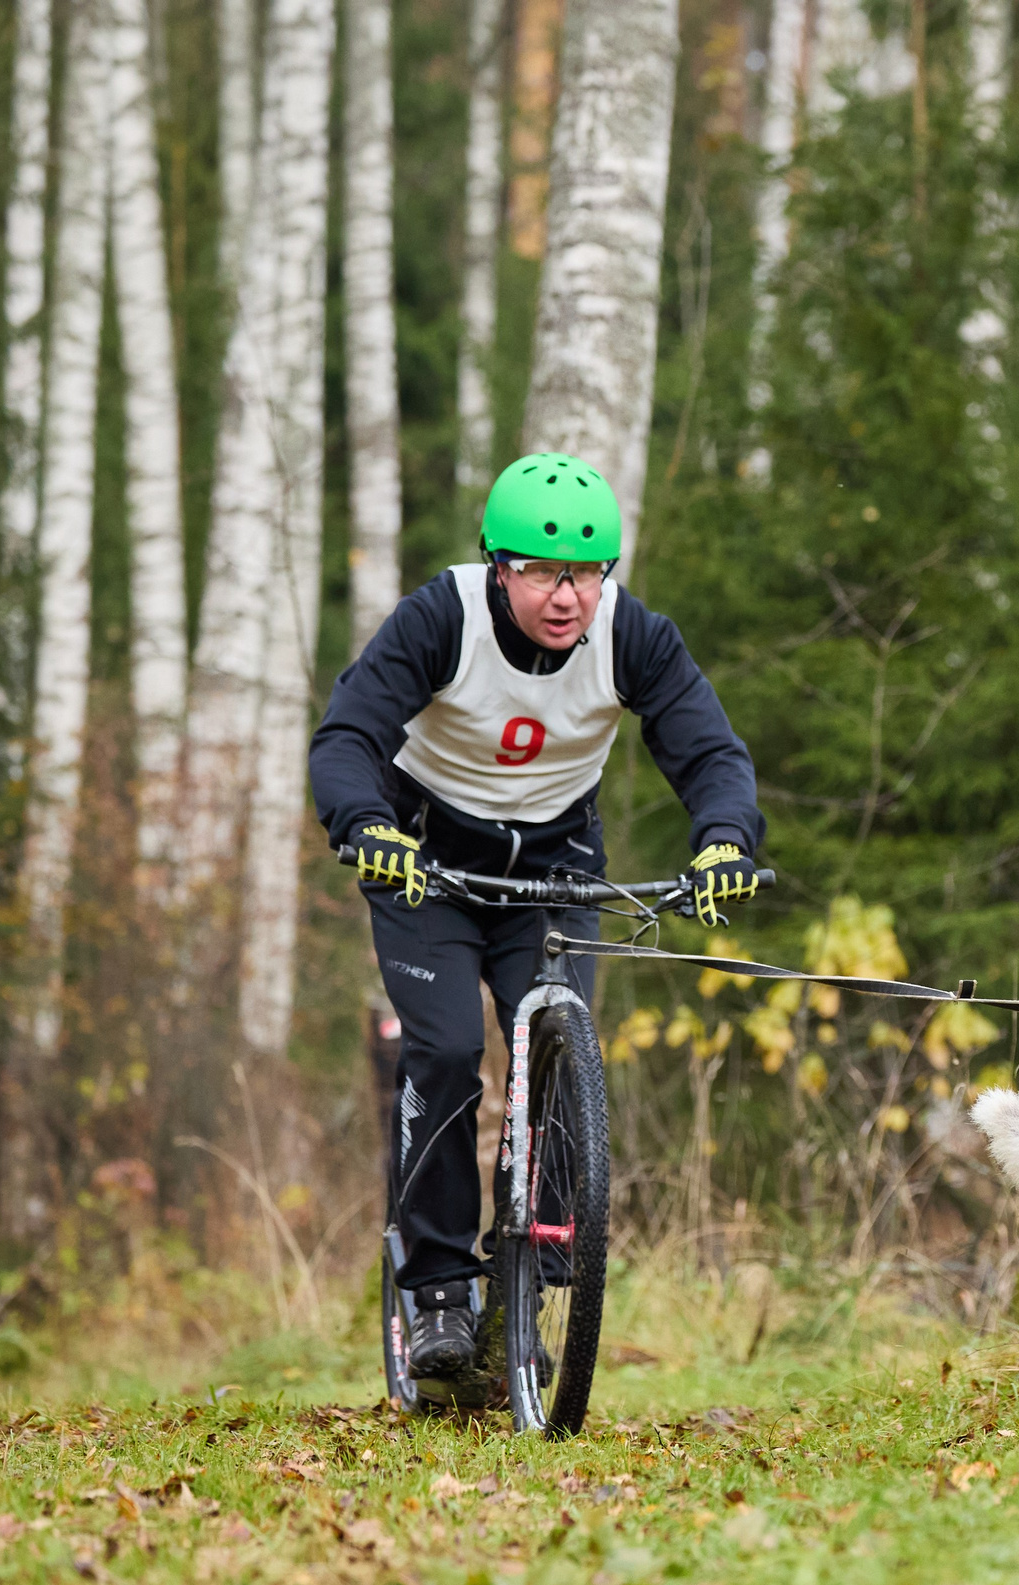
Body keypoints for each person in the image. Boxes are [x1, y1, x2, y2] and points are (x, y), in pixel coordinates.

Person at [309, 453, 764, 1379]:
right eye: (545, 573)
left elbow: (709, 747)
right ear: (499, 566)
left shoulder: (631, 635)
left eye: (589, 573)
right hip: (428, 861)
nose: (569, 597)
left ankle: (543, 1256)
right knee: (440, 1051)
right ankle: (436, 1289)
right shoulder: (444, 616)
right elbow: (349, 734)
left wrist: (724, 840)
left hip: (555, 866)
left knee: (555, 1047)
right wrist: (366, 824)